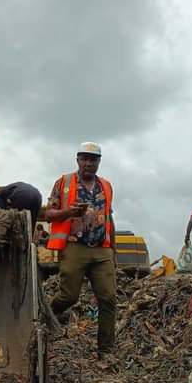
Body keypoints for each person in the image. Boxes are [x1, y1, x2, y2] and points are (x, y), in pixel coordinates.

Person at [45, 141, 116, 357]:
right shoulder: (63, 182)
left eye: (93, 160)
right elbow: (48, 214)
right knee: (69, 297)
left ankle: (106, 350)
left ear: (99, 162)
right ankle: (44, 317)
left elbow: (109, 218)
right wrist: (69, 212)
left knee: (108, 298)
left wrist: (113, 252)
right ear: (77, 160)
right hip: (75, 246)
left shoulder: (105, 185)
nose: (88, 163)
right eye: (84, 159)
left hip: (101, 249)